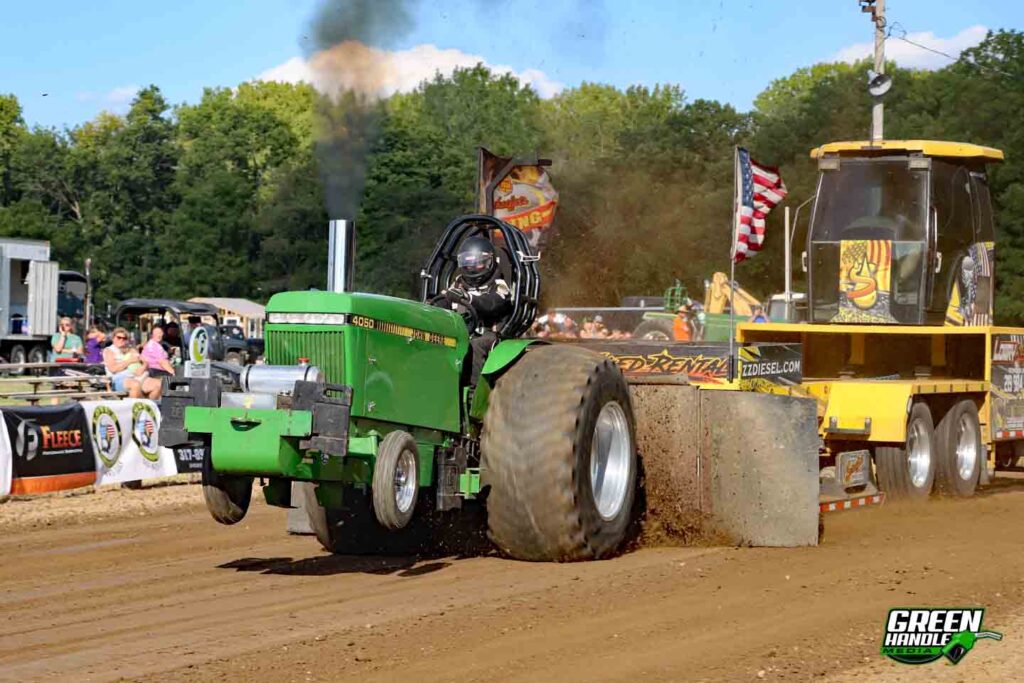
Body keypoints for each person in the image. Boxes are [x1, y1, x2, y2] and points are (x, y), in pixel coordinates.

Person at [104, 327, 161, 399]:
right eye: (119, 337)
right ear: (113, 338)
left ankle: (150, 405)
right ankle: (140, 406)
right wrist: (130, 361)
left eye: (124, 338)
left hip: (136, 376)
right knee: (135, 385)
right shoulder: (109, 351)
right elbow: (113, 369)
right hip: (118, 379)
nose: (121, 340)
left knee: (158, 384)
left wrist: (143, 368)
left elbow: (145, 362)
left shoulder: (131, 349)